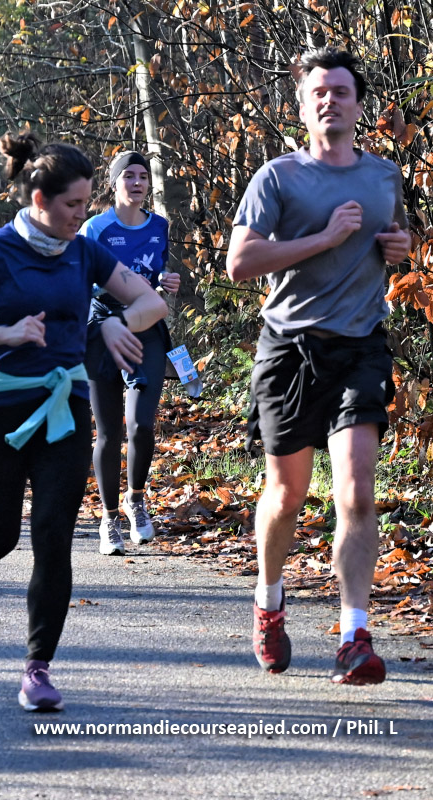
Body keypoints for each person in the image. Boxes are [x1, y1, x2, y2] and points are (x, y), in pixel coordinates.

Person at [0, 133, 167, 712]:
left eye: (86, 203)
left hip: (64, 406)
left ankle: (37, 668)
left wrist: (112, 323)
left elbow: (151, 303)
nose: (82, 215)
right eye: (72, 205)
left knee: (55, 534)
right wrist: (4, 334)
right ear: (39, 199)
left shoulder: (84, 252)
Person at [226, 47, 411, 685]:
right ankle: (269, 600)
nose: (330, 100)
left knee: (357, 492)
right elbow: (240, 263)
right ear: (303, 109)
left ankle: (355, 637)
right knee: (287, 497)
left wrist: (399, 247)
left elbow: (396, 238)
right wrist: (325, 239)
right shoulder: (277, 178)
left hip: (361, 347)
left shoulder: (384, 176)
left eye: (341, 91)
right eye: (319, 93)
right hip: (290, 349)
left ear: (358, 106)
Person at [79, 151, 180, 556]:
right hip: (102, 326)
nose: (138, 183)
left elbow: (158, 270)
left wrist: (165, 279)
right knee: (108, 432)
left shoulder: (159, 226)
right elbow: (77, 279)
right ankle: (108, 519)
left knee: (141, 425)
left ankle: (135, 499)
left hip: (144, 324)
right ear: (114, 182)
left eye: (143, 176)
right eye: (129, 176)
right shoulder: (95, 228)